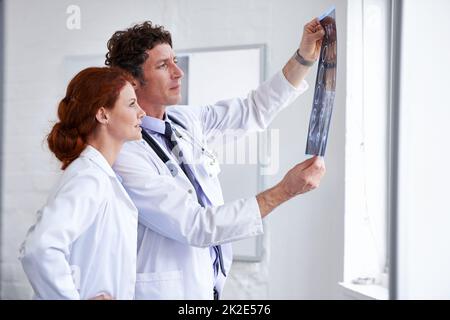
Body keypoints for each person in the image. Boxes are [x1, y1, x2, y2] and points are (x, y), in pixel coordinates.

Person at [105, 18, 326, 300]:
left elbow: (253, 109)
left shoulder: (183, 120)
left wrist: (304, 58)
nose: (178, 72)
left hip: (207, 288)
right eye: (163, 66)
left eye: (174, 60)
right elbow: (196, 225)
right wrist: (285, 190)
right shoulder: (125, 154)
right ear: (132, 81)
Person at [19, 67, 146, 299]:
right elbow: (39, 248)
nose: (142, 112)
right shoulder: (89, 177)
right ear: (103, 115)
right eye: (131, 104)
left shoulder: (99, 174)